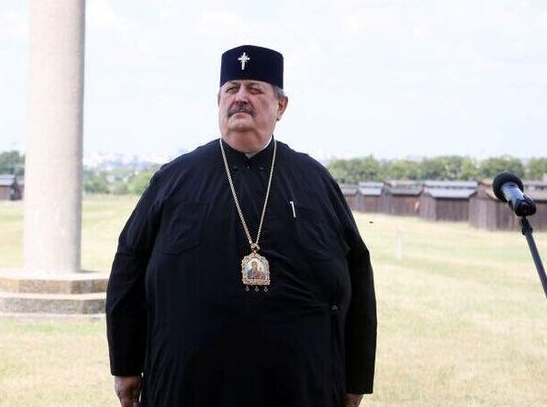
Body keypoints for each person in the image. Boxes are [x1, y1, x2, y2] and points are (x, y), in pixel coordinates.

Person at [106, 45, 376, 407]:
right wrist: (125, 364)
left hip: (298, 385)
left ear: (281, 106)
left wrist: (355, 379)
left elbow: (358, 275)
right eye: (232, 89)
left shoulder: (315, 182)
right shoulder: (174, 180)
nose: (241, 99)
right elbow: (129, 264)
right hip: (188, 383)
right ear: (218, 101)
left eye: (255, 88)